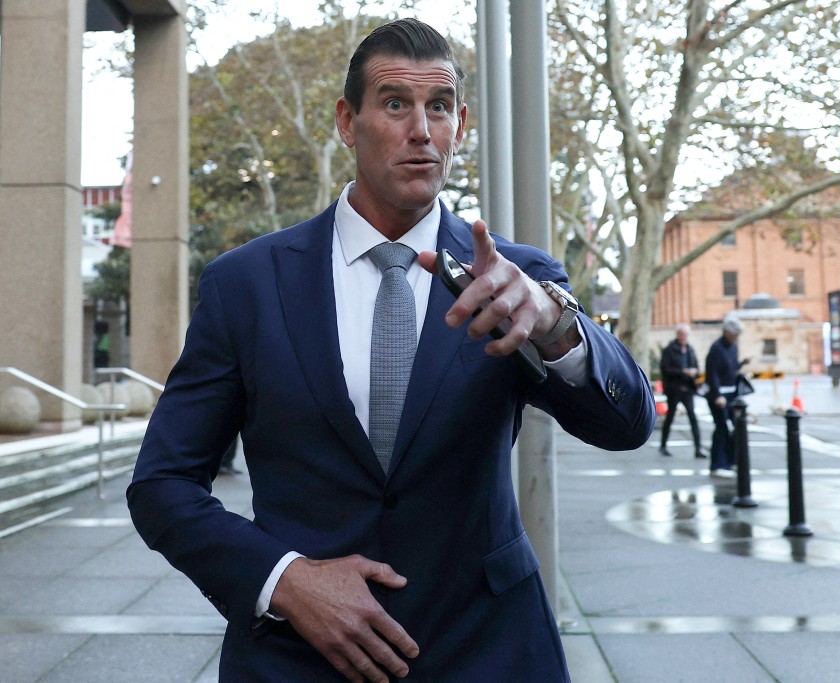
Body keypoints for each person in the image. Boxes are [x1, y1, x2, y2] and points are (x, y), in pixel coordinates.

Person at [127, 19, 654, 683]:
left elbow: (629, 423)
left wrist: (557, 327)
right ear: (349, 122)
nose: (421, 130)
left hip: (486, 650)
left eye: (438, 107)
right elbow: (161, 484)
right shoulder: (247, 284)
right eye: (395, 103)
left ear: (460, 124)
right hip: (298, 659)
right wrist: (284, 580)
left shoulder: (516, 279)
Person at [704, 315, 749, 478]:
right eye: (734, 334)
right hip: (719, 394)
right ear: (727, 332)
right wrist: (717, 395)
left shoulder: (733, 347)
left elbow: (731, 368)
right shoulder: (716, 348)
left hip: (731, 393)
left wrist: (742, 364)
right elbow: (712, 374)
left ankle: (730, 461)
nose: (736, 338)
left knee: (737, 428)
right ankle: (718, 463)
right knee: (721, 428)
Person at [658, 323, 705, 458]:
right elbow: (665, 369)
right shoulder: (670, 350)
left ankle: (698, 447)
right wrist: (682, 372)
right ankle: (663, 445)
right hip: (674, 389)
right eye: (682, 334)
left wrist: (693, 372)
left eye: (686, 335)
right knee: (670, 417)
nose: (684, 337)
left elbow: (695, 366)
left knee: (692, 417)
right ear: (678, 335)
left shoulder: (690, 350)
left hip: (688, 389)